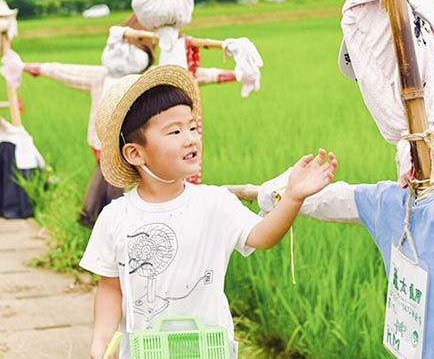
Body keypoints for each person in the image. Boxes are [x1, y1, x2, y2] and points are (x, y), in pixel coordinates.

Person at [79, 65, 337, 359]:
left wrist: (293, 196)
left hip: (209, 349)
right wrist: (101, 341)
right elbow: (111, 288)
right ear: (136, 153)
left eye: (192, 127)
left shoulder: (214, 202)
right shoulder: (115, 217)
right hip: (143, 352)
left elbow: (262, 236)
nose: (190, 138)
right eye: (174, 131)